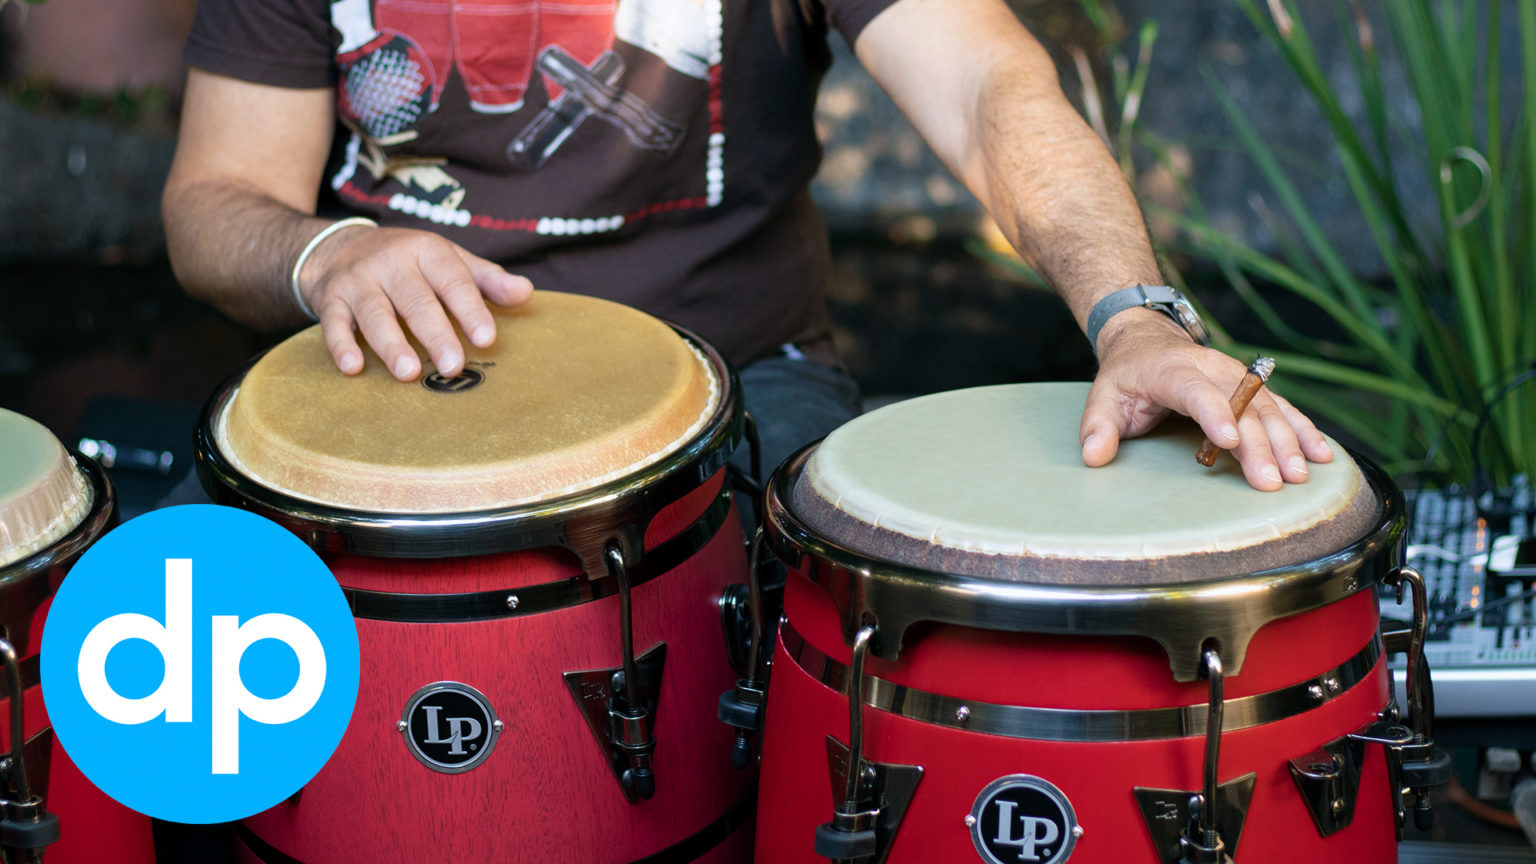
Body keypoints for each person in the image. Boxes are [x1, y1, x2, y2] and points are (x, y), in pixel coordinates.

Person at [162, 0, 1333, 492]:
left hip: (744, 387)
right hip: (394, 389)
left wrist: (1133, 317)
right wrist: (329, 257)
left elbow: (989, 87)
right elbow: (218, 200)